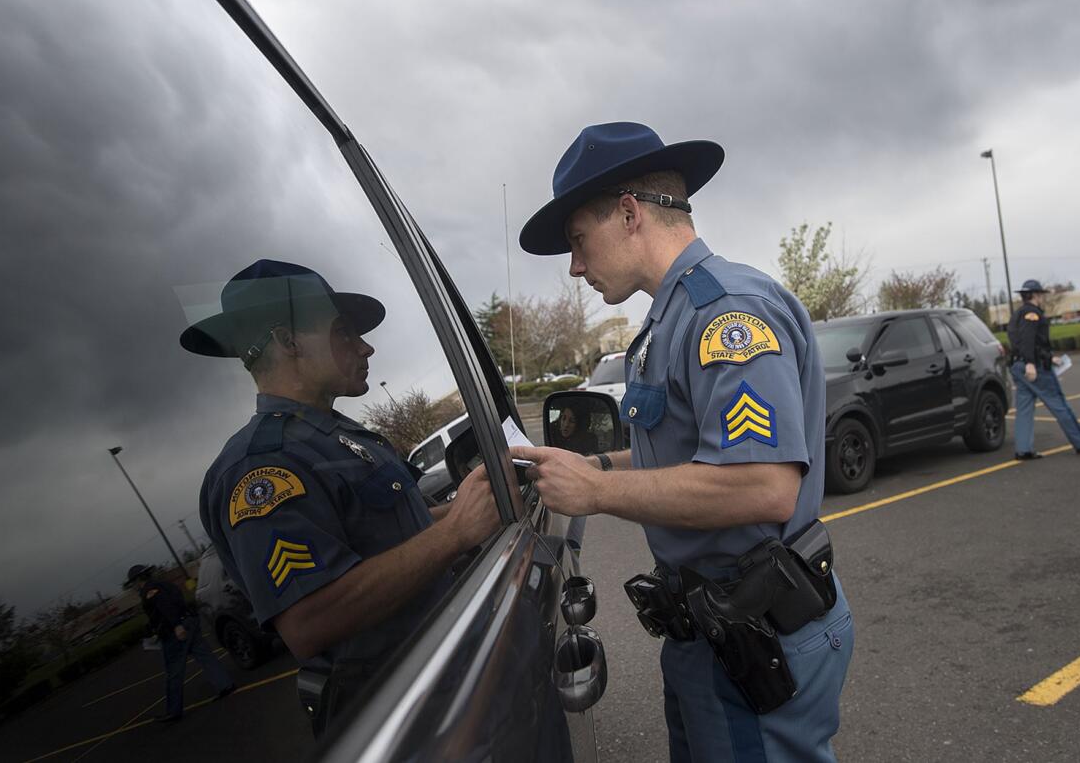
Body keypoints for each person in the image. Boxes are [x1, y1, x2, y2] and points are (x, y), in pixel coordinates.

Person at [513, 122, 853, 762]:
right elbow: (679, 452)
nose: (576, 266)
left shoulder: (724, 314)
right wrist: (591, 464)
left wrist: (597, 490)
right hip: (711, 633)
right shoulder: (670, 319)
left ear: (629, 213)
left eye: (579, 241)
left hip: (757, 636)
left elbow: (763, 484)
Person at [181, 259, 500, 716]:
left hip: (445, 676)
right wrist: (455, 534)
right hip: (404, 708)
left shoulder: (335, 436)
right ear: (288, 341)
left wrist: (470, 501)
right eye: (344, 332)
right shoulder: (262, 466)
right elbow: (310, 620)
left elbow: (390, 537)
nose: (365, 347)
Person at [1007, 279, 1080, 459]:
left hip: (1019, 366)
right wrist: (1031, 363)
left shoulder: (1017, 314)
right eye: (1041, 294)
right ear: (1035, 295)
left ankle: (1023, 449)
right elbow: (1028, 339)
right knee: (1059, 404)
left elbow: (1019, 341)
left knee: (1024, 409)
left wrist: (1049, 357)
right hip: (1033, 367)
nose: (1042, 298)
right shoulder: (1032, 314)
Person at [128, 564, 234, 724]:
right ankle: (225, 685)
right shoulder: (164, 584)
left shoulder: (149, 590)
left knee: (173, 672)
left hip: (176, 631)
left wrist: (176, 625)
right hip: (190, 622)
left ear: (137, 580)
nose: (134, 586)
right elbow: (175, 600)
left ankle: (173, 710)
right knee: (205, 656)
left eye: (133, 582)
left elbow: (164, 605)